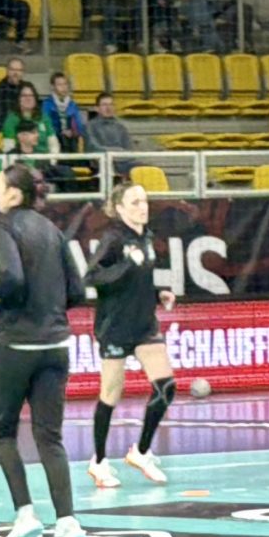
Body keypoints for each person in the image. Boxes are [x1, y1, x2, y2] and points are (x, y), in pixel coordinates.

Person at [0, 163, 83, 537]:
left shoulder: (1, 226)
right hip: (56, 344)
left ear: (13, 193)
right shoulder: (52, 230)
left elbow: (12, 278)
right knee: (49, 436)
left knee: (2, 431)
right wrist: (50, 313)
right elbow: (77, 290)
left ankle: (25, 513)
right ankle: (67, 521)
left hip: (17, 344)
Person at [82, 178, 180, 489]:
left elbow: (139, 281)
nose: (142, 207)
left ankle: (141, 451)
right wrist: (125, 264)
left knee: (166, 386)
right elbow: (92, 276)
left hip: (144, 324)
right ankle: (99, 461)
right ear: (120, 209)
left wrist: (158, 293)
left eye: (145, 201)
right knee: (110, 394)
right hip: (115, 326)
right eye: (135, 203)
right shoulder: (113, 239)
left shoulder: (147, 238)